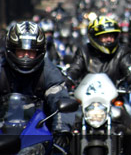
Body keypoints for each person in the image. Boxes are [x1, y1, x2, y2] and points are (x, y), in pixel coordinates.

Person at [67, 16, 131, 155]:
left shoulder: (121, 52)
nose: (109, 40)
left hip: (113, 100)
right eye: (104, 36)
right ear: (94, 37)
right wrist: (66, 81)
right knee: (67, 124)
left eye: (111, 36)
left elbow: (130, 69)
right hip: (86, 101)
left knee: (128, 123)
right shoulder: (84, 51)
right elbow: (74, 70)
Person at [0, 21, 75, 153]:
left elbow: (60, 99)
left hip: (38, 135)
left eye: (31, 52)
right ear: (11, 50)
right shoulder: (2, 70)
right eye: (21, 51)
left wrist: (62, 130)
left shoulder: (49, 72)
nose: (26, 56)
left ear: (40, 52)